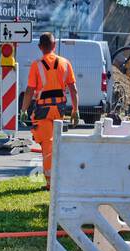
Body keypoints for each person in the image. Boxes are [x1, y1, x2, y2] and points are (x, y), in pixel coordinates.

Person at [21, 33, 79, 190]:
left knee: (47, 146)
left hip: (43, 111)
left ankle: (50, 184)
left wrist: (24, 110)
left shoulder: (36, 65)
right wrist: (75, 110)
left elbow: (29, 90)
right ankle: (57, 180)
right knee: (55, 145)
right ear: (54, 46)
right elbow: (73, 89)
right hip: (59, 111)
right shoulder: (65, 63)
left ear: (40, 47)